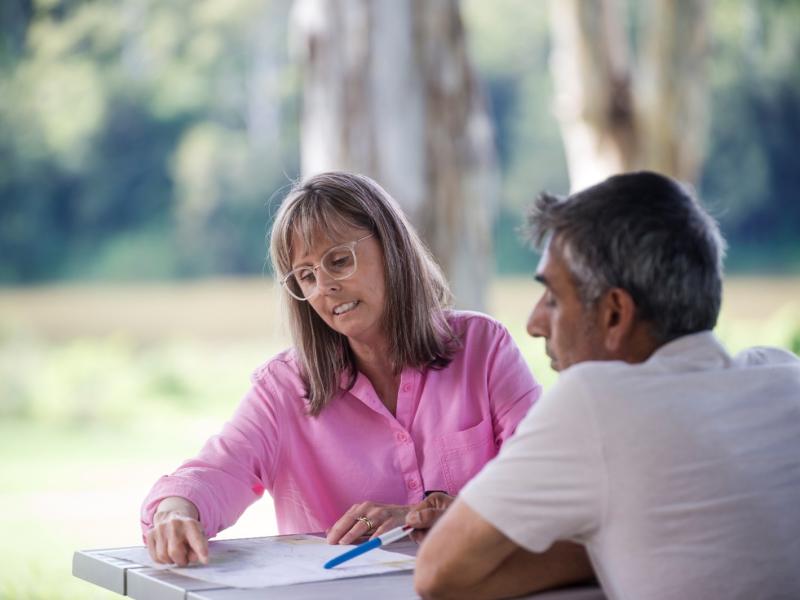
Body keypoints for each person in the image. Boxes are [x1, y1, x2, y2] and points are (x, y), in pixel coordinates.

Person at [410, 171, 800, 599]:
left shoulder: (595, 402)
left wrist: (598, 542)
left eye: (554, 299)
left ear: (615, 314)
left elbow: (438, 573)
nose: (535, 323)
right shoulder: (784, 375)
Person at [140, 171, 542, 566]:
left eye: (338, 261)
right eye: (306, 276)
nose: (323, 287)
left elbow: (542, 482)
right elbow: (215, 473)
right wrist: (175, 511)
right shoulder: (283, 387)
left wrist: (436, 514)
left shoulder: (483, 348)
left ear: (392, 248)